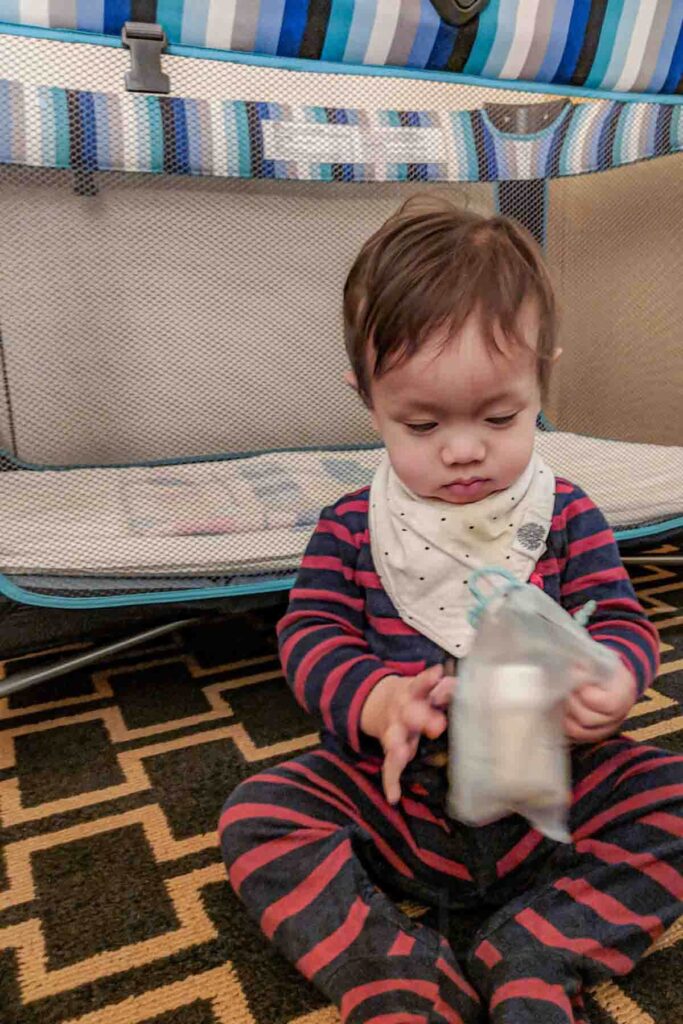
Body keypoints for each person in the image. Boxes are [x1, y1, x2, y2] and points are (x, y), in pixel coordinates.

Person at [219, 197, 682, 1024]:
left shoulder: (566, 514)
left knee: (672, 790)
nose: (463, 449)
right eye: (421, 423)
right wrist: (375, 698)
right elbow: (310, 635)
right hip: (399, 799)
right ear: (366, 401)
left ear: (541, 381)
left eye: (500, 416)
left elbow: (618, 617)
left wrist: (611, 679)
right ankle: (391, 972)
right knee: (260, 814)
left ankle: (541, 947)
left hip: (554, 791)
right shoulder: (351, 527)